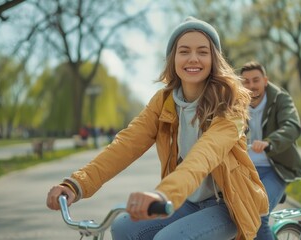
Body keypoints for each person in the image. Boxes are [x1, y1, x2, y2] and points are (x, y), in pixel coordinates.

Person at [46, 17, 269, 240]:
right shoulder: (164, 102)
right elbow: (126, 144)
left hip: (229, 204)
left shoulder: (230, 104)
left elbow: (204, 155)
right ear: (173, 59)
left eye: (203, 52)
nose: (193, 58)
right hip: (188, 200)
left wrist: (163, 194)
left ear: (214, 59)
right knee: (123, 228)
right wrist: (76, 184)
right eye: (184, 51)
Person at [240, 61, 301, 240]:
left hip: (275, 168)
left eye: (256, 80)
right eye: (246, 81)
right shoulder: (237, 102)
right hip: (245, 171)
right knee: (232, 215)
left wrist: (269, 142)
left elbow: (291, 126)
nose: (251, 86)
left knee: (258, 216)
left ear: (265, 80)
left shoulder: (280, 98)